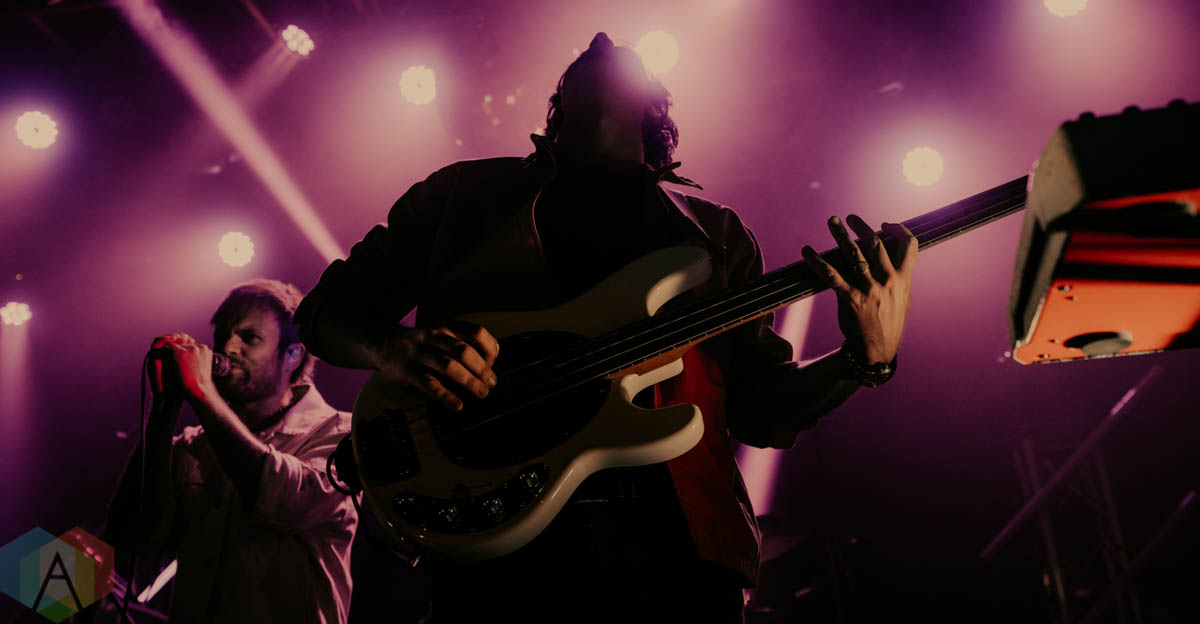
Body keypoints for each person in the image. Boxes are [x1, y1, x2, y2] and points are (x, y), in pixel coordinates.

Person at [294, 33, 917, 622]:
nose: (600, 37)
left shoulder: (715, 234)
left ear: (655, 108)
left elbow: (760, 409)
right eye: (588, 50)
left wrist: (862, 360)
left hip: (676, 561)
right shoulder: (458, 196)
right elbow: (323, 311)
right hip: (490, 550)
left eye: (622, 50)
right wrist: (391, 347)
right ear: (556, 106)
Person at [103, 279, 358, 624]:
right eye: (222, 335)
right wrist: (165, 406)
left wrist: (203, 394)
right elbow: (130, 532)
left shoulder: (338, 433)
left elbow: (283, 498)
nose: (228, 347)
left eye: (249, 338)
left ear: (292, 355)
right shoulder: (195, 444)